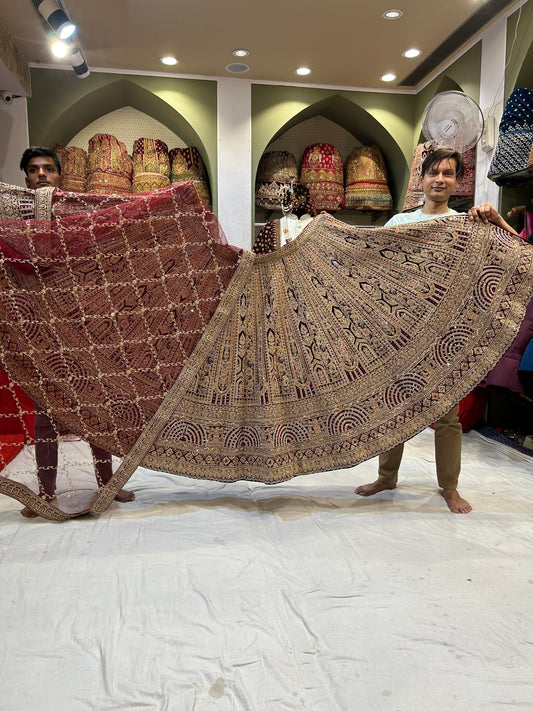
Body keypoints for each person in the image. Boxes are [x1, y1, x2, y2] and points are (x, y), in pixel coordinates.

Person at [355, 147, 519, 514]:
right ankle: (386, 477)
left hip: (446, 335)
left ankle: (450, 487)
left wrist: (497, 220)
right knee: (392, 408)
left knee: (446, 413)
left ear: (458, 182)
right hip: (399, 331)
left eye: (448, 174)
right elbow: (368, 265)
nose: (440, 179)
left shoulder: (469, 224)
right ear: (422, 179)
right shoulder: (399, 223)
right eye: (434, 173)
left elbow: (519, 252)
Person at [18, 147, 135, 517]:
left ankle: (107, 484)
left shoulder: (80, 216)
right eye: (34, 170)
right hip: (38, 331)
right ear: (25, 178)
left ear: (59, 176)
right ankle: (46, 493)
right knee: (46, 413)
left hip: (82, 327)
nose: (41, 175)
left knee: (96, 409)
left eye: (48, 169)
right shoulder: (15, 219)